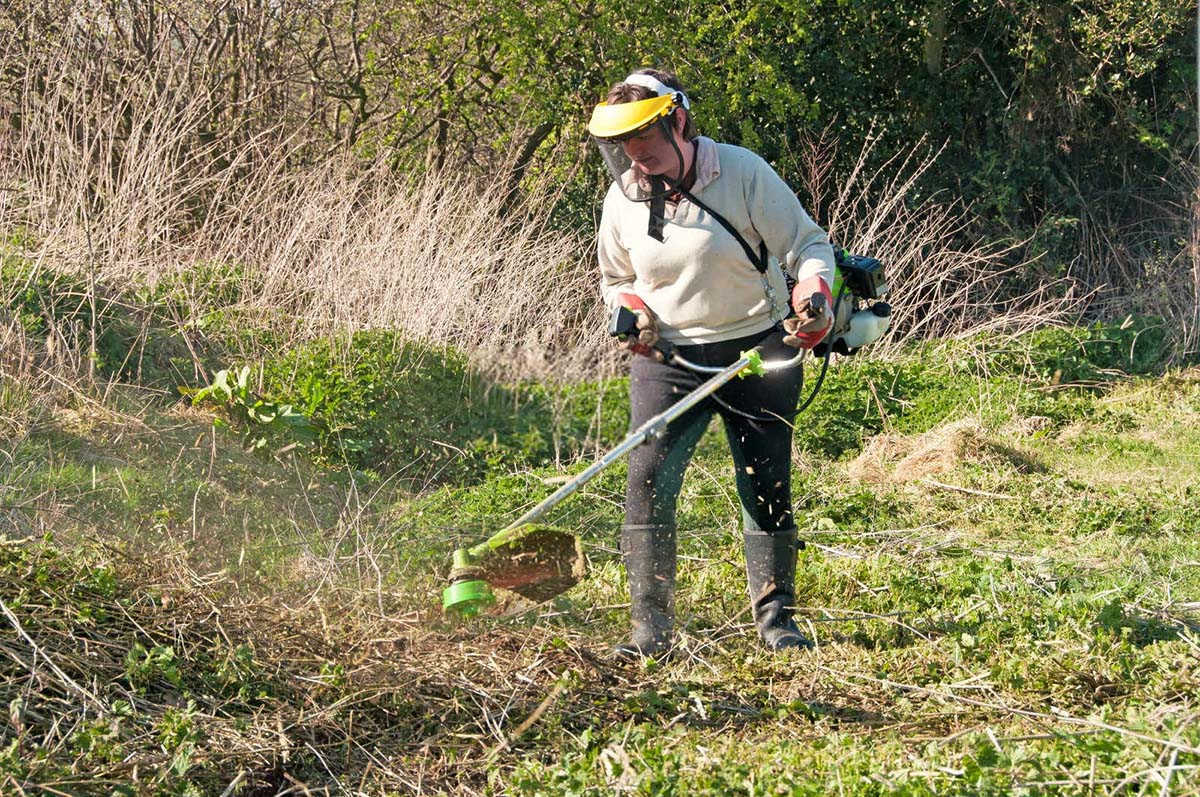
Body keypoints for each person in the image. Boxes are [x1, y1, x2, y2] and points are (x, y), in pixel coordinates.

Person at [587, 69, 836, 659]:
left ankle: (778, 623)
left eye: (645, 144)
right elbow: (617, 278)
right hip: (668, 358)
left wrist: (814, 296)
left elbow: (807, 246)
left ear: (677, 122)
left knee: (765, 480)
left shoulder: (744, 172)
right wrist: (629, 312)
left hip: (757, 350)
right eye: (624, 148)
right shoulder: (622, 196)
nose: (635, 159)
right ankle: (650, 631)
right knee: (647, 480)